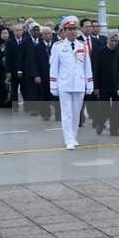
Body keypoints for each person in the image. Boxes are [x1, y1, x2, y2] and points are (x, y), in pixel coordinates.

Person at [49, 16, 94, 150]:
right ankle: (68, 138)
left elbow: (87, 66)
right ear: (64, 31)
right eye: (69, 29)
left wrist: (89, 83)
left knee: (76, 113)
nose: (73, 32)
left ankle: (73, 136)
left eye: (74, 29)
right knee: (67, 114)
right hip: (65, 84)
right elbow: (53, 67)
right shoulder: (58, 47)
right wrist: (54, 85)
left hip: (79, 84)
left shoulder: (83, 46)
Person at [93, 32, 119, 136]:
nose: (114, 43)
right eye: (112, 41)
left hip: (117, 86)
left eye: (116, 41)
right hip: (104, 85)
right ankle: (100, 123)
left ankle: (114, 129)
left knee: (116, 109)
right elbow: (96, 70)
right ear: (107, 41)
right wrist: (96, 86)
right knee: (104, 107)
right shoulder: (101, 52)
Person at [0, 27, 12, 108]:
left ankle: (10, 101)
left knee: (10, 85)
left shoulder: (11, 43)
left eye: (6, 33)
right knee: (1, 85)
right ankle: (1, 101)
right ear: (0, 35)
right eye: (3, 33)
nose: (5, 35)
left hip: (10, 68)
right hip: (1, 68)